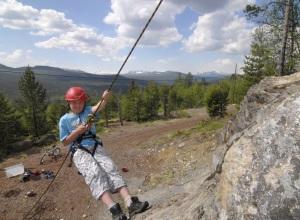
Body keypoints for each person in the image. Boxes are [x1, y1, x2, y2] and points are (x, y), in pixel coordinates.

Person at [59, 86, 149, 220]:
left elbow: (99, 106)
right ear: (69, 103)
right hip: (79, 151)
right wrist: (78, 131)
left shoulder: (88, 111)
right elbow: (65, 142)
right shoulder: (64, 120)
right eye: (73, 102)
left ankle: (130, 202)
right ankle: (114, 209)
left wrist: (104, 99)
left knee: (111, 168)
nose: (77, 105)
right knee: (94, 174)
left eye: (80, 102)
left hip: (95, 146)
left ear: (84, 102)